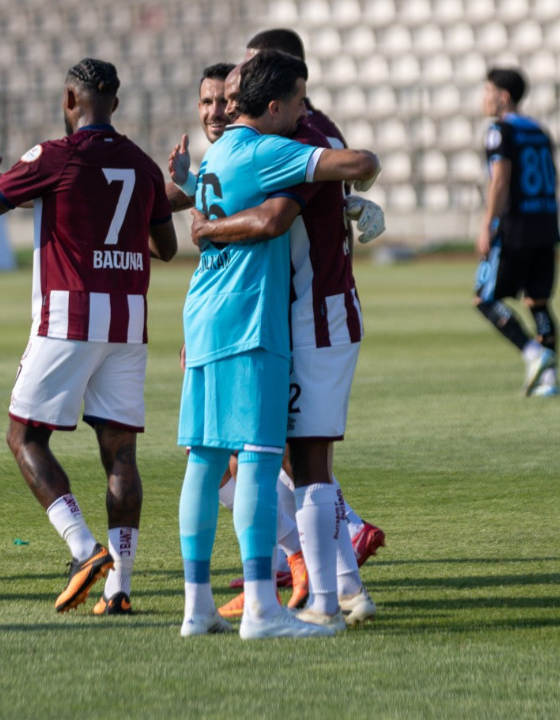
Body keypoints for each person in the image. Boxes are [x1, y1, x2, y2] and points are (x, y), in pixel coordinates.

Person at [0, 58, 178, 614]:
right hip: (128, 319)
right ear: (117, 104)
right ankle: (120, 586)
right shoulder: (141, 163)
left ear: (69, 100)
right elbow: (168, 247)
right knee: (120, 455)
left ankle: (84, 549)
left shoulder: (55, 156)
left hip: (70, 315)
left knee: (24, 436)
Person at [175, 50, 381, 639]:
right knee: (264, 463)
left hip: (201, 314)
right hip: (250, 322)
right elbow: (358, 161)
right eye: (297, 102)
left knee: (206, 461)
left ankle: (197, 606)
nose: (303, 113)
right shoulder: (272, 150)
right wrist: (356, 181)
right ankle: (265, 609)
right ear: (274, 106)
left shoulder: (216, 154)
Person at [475, 66, 560, 397]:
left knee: (484, 297)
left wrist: (487, 224)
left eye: (487, 91)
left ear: (503, 96)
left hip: (516, 226)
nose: (484, 98)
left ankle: (535, 353)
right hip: (546, 222)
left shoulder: (499, 130)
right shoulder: (539, 131)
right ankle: (550, 382)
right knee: (538, 302)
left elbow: (500, 177)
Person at [166, 62, 235, 210]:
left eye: (224, 102)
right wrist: (186, 182)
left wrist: (206, 228)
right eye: (207, 102)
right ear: (199, 108)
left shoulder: (256, 153)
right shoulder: (215, 156)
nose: (214, 112)